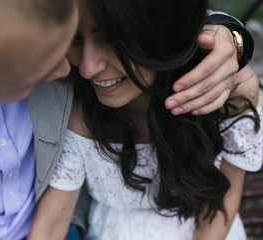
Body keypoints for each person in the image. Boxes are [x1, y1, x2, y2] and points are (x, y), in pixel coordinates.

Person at [0, 0, 256, 239]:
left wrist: (230, 33)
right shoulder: (82, 105)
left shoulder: (225, 92)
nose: (75, 70)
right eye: (30, 71)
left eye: (109, 41)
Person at [27, 0, 263, 239]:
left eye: (112, 40)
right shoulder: (77, 108)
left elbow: (220, 207)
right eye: (76, 38)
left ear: (160, 32)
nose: (88, 68)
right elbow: (51, 225)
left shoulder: (228, 94)